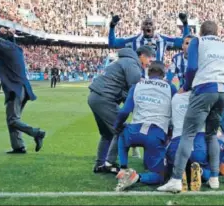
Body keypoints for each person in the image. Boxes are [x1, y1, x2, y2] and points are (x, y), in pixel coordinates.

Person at [158, 21, 224, 192]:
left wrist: (187, 86)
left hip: (205, 88)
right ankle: (214, 178)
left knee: (187, 134)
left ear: (201, 32)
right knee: (211, 135)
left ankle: (176, 179)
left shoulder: (197, 42)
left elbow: (191, 67)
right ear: (216, 31)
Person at [88, 46, 155, 174]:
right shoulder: (132, 64)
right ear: (143, 56)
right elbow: (135, 90)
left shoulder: (123, 61)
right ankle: (109, 163)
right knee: (121, 129)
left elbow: (125, 91)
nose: (148, 64)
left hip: (95, 97)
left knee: (107, 134)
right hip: (105, 98)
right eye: (149, 60)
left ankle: (100, 164)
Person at [113, 61, 177, 192]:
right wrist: (170, 132)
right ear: (164, 74)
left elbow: (125, 111)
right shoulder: (170, 87)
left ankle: (123, 168)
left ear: (148, 72)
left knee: (122, 133)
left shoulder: (137, 86)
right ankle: (137, 177)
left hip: (134, 132)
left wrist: (118, 125)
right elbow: (175, 113)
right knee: (159, 176)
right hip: (156, 133)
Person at [0, 27, 46, 154]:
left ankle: (36, 133)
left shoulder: (3, 48)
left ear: (0, 43)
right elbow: (11, 42)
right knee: (13, 118)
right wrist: (10, 35)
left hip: (14, 89)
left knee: (12, 120)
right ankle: (18, 146)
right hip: (22, 88)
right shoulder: (16, 49)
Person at [166, 91, 211, 192]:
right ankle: (201, 172)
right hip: (199, 144)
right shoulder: (203, 96)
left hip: (178, 142)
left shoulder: (176, 98)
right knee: (211, 168)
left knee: (169, 165)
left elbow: (169, 123)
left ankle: (179, 173)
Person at [108, 13, 190, 63]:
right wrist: (112, 26)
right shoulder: (134, 40)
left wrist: (185, 24)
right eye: (146, 24)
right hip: (140, 78)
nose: (148, 25)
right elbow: (113, 44)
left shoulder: (163, 39)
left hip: (157, 78)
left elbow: (184, 42)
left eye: (150, 24)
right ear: (142, 27)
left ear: (154, 27)